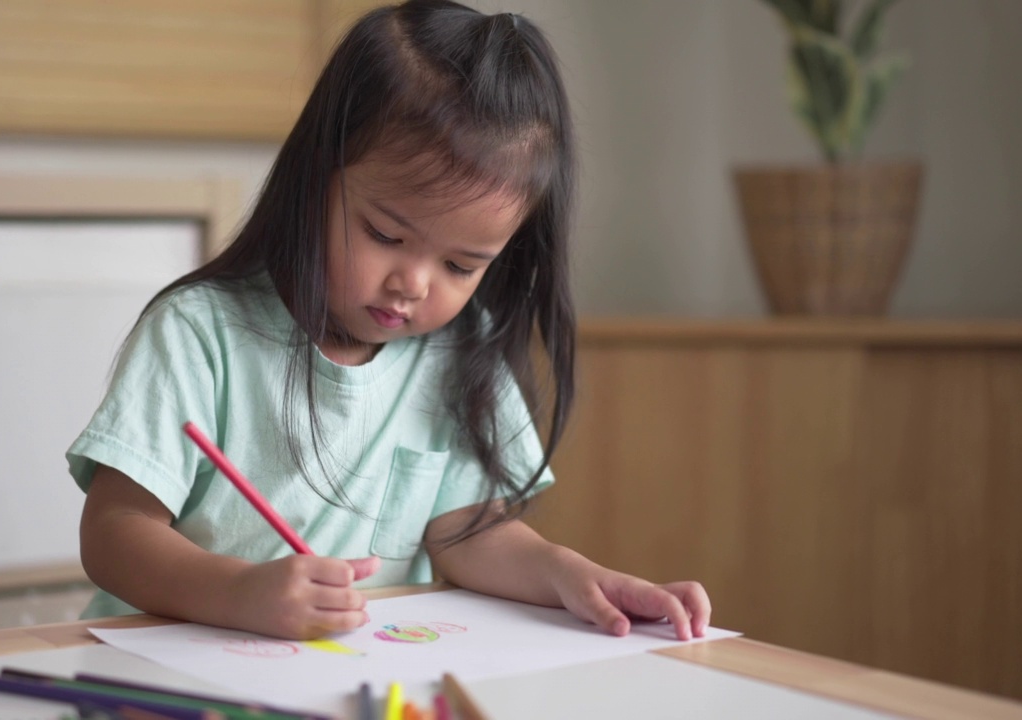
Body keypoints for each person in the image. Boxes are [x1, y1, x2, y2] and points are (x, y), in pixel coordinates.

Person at [68, 0, 710, 642]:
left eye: (461, 265)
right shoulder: (199, 334)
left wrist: (574, 576)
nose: (414, 284)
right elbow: (114, 534)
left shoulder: (458, 350)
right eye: (384, 233)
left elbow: (468, 534)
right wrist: (236, 593)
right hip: (161, 673)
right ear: (315, 177)